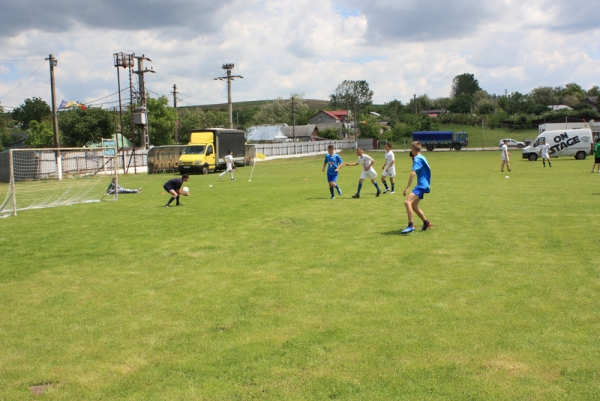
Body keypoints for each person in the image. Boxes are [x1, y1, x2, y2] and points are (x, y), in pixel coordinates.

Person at [401, 141, 432, 234]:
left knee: (407, 202)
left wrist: (407, 188)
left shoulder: (417, 159)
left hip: (422, 185)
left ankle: (411, 225)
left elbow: (413, 173)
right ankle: (426, 223)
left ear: (413, 149)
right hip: (425, 184)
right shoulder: (422, 157)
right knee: (414, 206)